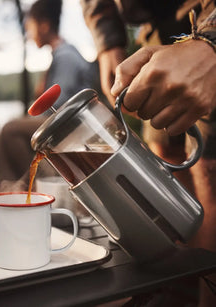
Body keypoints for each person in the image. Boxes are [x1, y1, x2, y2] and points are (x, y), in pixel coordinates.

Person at [81, 1, 216, 306]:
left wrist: (211, 43)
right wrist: (108, 41)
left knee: (209, 171)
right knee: (164, 153)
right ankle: (183, 291)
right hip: (155, 26)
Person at [0, 0, 97, 180]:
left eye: (30, 27)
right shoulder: (60, 55)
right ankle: (28, 184)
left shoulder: (65, 56)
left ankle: (33, 184)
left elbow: (61, 109)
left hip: (75, 127)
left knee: (9, 130)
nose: (29, 34)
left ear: (44, 26)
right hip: (71, 125)